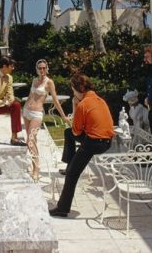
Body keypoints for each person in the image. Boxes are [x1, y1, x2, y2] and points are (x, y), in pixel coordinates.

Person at [49, 74, 114, 217]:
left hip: (94, 143)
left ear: (79, 89)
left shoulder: (83, 104)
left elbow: (76, 130)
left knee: (72, 174)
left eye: (73, 90)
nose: (73, 94)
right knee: (68, 133)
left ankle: (62, 208)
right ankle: (70, 163)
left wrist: (75, 105)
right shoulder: (100, 100)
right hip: (108, 142)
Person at [23, 59, 69, 180]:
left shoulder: (49, 83)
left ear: (47, 68)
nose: (42, 70)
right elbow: (30, 96)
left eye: (44, 68)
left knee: (31, 140)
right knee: (30, 140)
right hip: (26, 111)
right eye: (40, 68)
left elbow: (55, 100)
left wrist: (63, 116)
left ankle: (36, 168)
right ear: (36, 69)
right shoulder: (34, 80)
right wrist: (23, 109)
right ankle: (34, 166)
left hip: (37, 114)